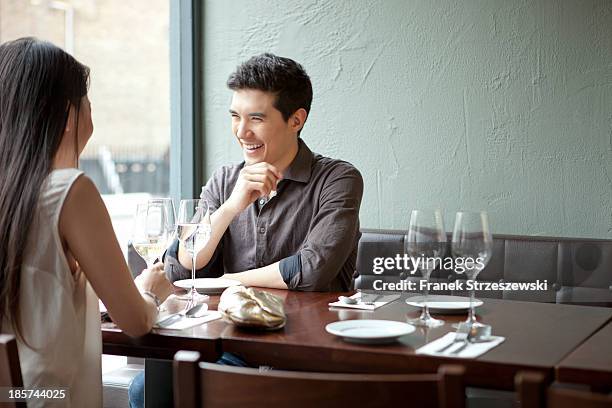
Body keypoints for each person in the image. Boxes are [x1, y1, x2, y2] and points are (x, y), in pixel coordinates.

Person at [0, 37, 174, 408]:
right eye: (89, 105)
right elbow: (136, 322)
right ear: (68, 116)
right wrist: (150, 290)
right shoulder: (68, 190)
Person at [164, 53, 364, 291]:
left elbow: (312, 270)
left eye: (256, 119)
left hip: (312, 326)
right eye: (235, 117)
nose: (241, 132)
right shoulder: (224, 181)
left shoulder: (337, 179)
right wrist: (230, 208)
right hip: (231, 326)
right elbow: (181, 268)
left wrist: (222, 282)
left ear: (296, 120)